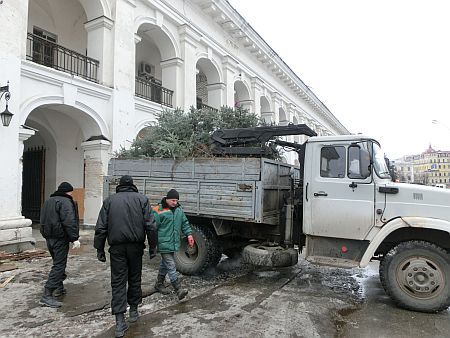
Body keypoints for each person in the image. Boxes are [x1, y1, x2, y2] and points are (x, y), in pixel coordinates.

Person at [94, 175, 157, 338]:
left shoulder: (109, 201)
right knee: (135, 278)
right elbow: (151, 225)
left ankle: (120, 321)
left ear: (120, 186)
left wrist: (99, 249)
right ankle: (134, 310)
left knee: (118, 281)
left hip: (117, 248)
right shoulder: (142, 200)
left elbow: (101, 227)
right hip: (136, 246)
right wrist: (153, 247)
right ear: (133, 186)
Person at [39, 182, 80, 308]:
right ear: (68, 191)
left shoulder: (49, 201)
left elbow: (43, 219)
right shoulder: (66, 202)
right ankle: (47, 294)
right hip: (60, 238)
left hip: (49, 237)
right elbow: (69, 221)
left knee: (57, 262)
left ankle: (59, 287)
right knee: (59, 265)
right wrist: (74, 238)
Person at [152, 189, 194, 300]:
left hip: (174, 243)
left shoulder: (179, 210)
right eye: (173, 200)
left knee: (164, 264)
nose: (175, 202)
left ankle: (159, 284)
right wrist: (153, 244)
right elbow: (152, 228)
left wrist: (189, 235)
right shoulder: (158, 210)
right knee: (171, 265)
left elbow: (184, 223)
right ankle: (178, 290)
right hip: (163, 243)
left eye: (176, 200)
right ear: (167, 199)